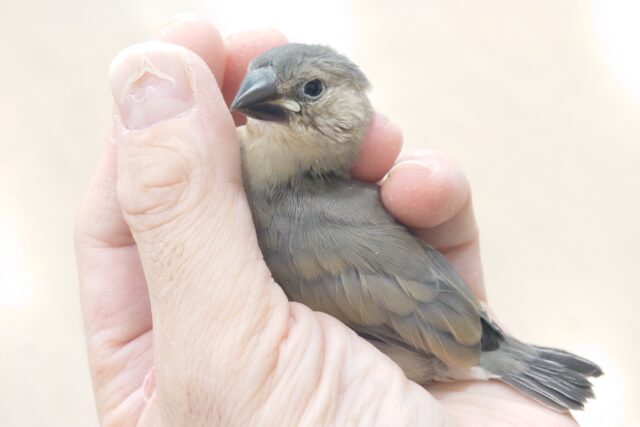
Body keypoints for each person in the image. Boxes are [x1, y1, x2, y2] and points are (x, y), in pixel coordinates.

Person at [74, 14, 579, 426]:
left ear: (354, 110)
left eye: (311, 90)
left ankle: (511, 359)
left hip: (434, 351)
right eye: (260, 89)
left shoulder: (296, 232)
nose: (264, 102)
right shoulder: (236, 169)